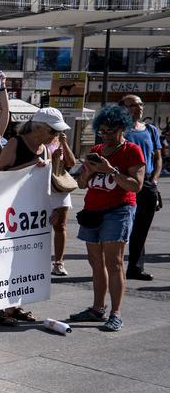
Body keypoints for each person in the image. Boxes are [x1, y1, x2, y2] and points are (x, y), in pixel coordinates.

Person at [0, 108, 68, 326]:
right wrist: (29, 165)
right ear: (39, 127)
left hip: (30, 215)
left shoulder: (46, 149)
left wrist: (52, 209)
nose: (55, 136)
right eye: (53, 131)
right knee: (3, 260)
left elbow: (45, 184)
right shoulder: (15, 143)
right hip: (9, 212)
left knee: (23, 262)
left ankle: (14, 306)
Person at [68, 105, 145, 333]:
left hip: (118, 210)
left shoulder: (132, 151)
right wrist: (87, 172)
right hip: (92, 210)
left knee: (114, 263)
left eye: (110, 130)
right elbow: (81, 184)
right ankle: (97, 308)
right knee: (95, 262)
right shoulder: (97, 149)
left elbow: (136, 186)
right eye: (102, 130)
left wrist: (111, 170)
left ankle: (116, 313)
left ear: (122, 128)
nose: (106, 135)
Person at [120, 95, 162, 281]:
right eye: (133, 105)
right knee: (121, 224)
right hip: (126, 181)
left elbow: (158, 157)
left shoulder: (151, 130)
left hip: (147, 182)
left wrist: (154, 180)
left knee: (142, 227)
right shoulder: (120, 130)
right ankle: (114, 265)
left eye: (140, 104)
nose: (138, 108)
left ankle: (135, 267)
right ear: (124, 108)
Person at [47, 126, 76, 277]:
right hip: (43, 188)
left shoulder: (60, 142)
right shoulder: (40, 142)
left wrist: (64, 144)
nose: (56, 133)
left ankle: (58, 263)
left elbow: (71, 163)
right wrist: (52, 159)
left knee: (60, 226)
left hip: (60, 187)